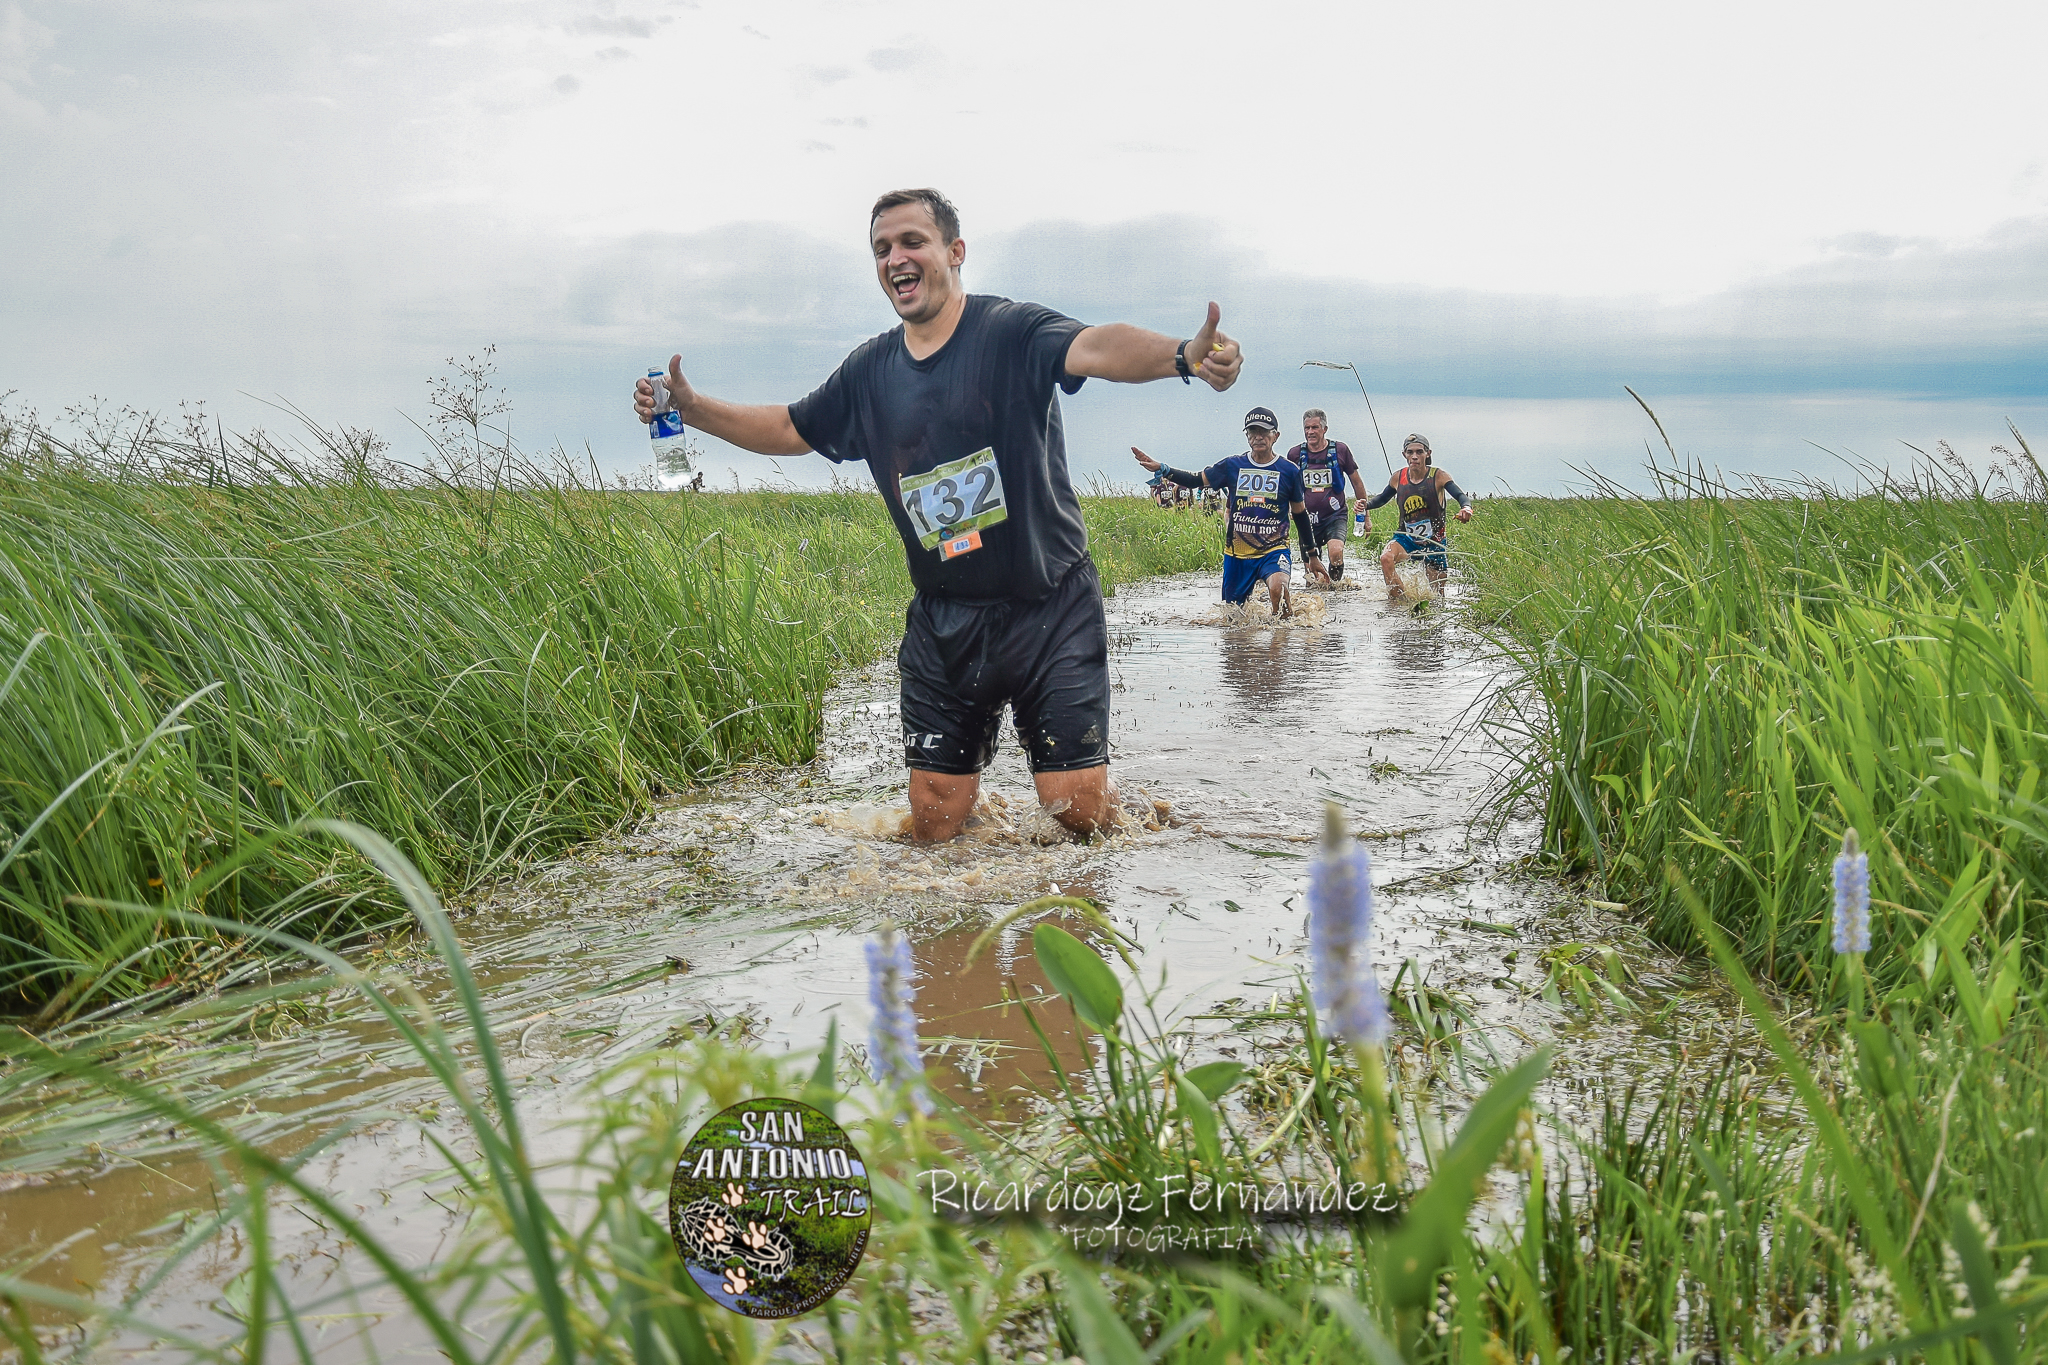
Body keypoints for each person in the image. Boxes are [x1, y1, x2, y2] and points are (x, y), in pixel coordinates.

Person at [632, 188, 1242, 844]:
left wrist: (1182, 356)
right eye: (881, 248)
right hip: (946, 621)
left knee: (1078, 815)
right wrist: (693, 408)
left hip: (1051, 608)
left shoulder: (1009, 331)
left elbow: (1094, 347)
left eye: (911, 242)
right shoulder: (869, 372)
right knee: (934, 823)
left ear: (955, 252)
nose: (895, 257)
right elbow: (789, 427)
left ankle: (1134, 814)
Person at [1130, 407, 1323, 616]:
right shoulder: (1232, 465)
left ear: (1275, 436)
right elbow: (1196, 480)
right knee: (1234, 618)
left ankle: (1283, 634)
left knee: (1279, 589)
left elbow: (1300, 514)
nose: (1258, 437)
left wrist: (1312, 555)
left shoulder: (1289, 471)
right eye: (1253, 431)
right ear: (1247, 436)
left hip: (1274, 550)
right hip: (1237, 554)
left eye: (1264, 431)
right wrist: (1163, 469)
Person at [1359, 433, 1474, 596]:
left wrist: (1466, 508)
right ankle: (1400, 603)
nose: (1414, 456)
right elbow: (1382, 498)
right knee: (1386, 558)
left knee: (1437, 595)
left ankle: (1424, 608)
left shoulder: (1438, 476)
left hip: (1434, 541)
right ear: (1404, 454)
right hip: (1406, 538)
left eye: (1419, 452)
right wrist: (1366, 505)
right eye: (1410, 452)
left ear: (1428, 454)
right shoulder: (1398, 477)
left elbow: (1460, 496)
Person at [1287, 409, 1368, 581]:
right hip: (1307, 519)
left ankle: (1336, 586)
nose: (1310, 432)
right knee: (1312, 578)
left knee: (1336, 552)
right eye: (1307, 428)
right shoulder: (1295, 454)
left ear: (1324, 429)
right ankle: (1320, 588)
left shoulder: (1340, 450)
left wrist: (1365, 516)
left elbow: (1357, 483)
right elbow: (1287, 486)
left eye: (1315, 427)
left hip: (1335, 515)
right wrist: (1288, 509)